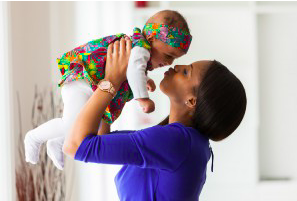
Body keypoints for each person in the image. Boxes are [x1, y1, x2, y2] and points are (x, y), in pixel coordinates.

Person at [63, 37, 247, 200]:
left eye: (186, 72)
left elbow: (75, 146)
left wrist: (111, 81)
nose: (176, 66)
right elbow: (100, 140)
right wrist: (117, 83)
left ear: (192, 100)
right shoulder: (185, 142)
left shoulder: (177, 142)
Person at [24, 10, 192, 170]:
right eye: (169, 55)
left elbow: (131, 70)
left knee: (84, 125)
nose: (170, 63)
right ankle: (34, 137)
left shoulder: (138, 52)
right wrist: (143, 98)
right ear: (151, 37)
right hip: (82, 82)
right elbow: (133, 70)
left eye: (174, 58)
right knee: (71, 124)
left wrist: (145, 80)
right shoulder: (140, 50)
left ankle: (58, 142)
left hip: (91, 85)